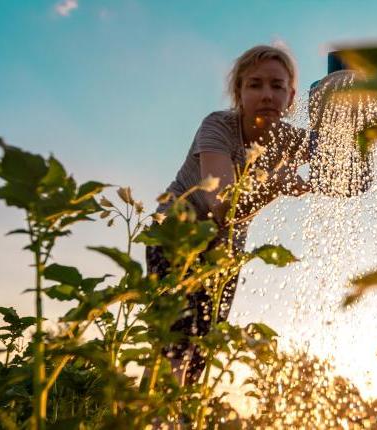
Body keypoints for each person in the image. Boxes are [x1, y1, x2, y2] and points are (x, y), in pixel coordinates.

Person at [146, 45, 308, 385]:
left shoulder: (289, 140)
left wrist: (351, 109)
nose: (267, 95)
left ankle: (169, 416)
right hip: (176, 235)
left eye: (277, 86)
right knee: (175, 341)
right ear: (239, 92)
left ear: (291, 96)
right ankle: (154, 417)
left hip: (223, 254)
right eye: (255, 84)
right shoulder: (218, 127)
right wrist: (276, 185)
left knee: (201, 348)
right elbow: (221, 205)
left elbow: (344, 167)